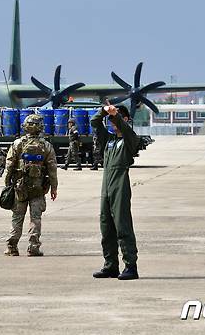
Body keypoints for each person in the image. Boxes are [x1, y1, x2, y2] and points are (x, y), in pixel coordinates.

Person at [90, 104, 140, 280]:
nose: (111, 122)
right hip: (106, 186)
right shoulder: (109, 140)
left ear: (124, 119)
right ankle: (110, 265)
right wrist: (104, 111)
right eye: (110, 120)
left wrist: (115, 115)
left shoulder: (130, 138)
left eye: (115, 119)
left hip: (120, 185)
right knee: (106, 226)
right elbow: (94, 122)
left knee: (122, 225)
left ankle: (131, 266)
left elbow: (126, 130)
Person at [3, 114, 58, 257]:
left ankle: (12, 247)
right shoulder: (46, 146)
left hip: (20, 187)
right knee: (35, 218)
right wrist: (54, 188)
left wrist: (7, 182)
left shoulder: (17, 144)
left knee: (17, 217)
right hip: (38, 188)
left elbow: (9, 165)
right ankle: (33, 247)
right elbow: (52, 169)